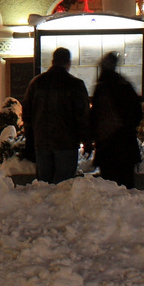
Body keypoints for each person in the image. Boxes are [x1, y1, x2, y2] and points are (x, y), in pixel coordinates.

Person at [22, 46, 90, 183]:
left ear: (53, 61)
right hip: (66, 143)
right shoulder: (75, 85)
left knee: (44, 186)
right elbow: (82, 116)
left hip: (42, 142)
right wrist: (87, 141)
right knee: (63, 187)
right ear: (68, 63)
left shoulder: (36, 83)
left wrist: (30, 139)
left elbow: (27, 114)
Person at [90, 51, 143, 188]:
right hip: (126, 144)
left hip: (107, 146)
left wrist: (91, 138)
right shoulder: (125, 84)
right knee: (127, 185)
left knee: (110, 187)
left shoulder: (101, 88)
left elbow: (95, 117)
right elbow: (138, 113)